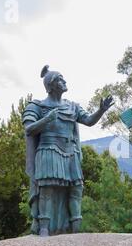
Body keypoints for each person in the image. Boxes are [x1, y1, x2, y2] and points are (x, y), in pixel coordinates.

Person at [22, 65, 114, 236]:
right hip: (48, 150)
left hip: (70, 152)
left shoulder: (72, 106)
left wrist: (101, 110)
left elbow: (88, 120)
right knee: (47, 189)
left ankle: (75, 228)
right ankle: (44, 229)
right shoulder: (37, 106)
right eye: (60, 79)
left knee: (76, 188)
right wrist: (46, 120)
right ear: (50, 85)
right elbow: (29, 129)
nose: (64, 81)